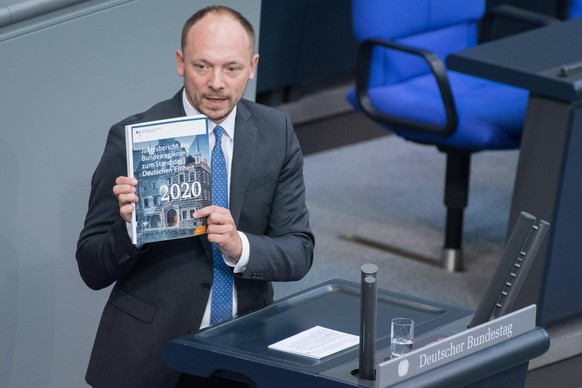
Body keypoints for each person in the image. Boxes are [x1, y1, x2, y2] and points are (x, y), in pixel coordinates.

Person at [76, 5, 314, 387]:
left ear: (252, 67)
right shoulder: (133, 137)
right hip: (149, 358)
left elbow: (299, 251)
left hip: (242, 355)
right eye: (203, 66)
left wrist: (240, 246)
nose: (217, 82)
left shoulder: (277, 132)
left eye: (232, 68)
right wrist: (131, 228)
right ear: (180, 63)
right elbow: (91, 267)